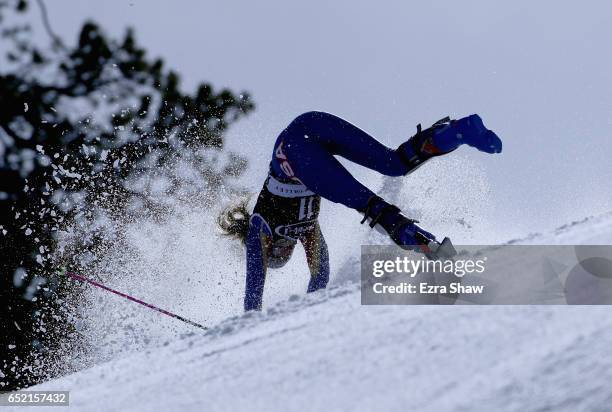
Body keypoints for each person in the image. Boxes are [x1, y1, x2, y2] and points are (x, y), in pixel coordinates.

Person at [218, 111, 502, 311]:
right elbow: (320, 277)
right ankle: (459, 131)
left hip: (296, 150)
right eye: (285, 256)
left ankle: (431, 248)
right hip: (310, 123)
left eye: (277, 256)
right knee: (394, 163)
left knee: (369, 205)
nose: (284, 254)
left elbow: (253, 297)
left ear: (271, 249)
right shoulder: (308, 231)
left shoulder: (259, 227)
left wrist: (244, 333)